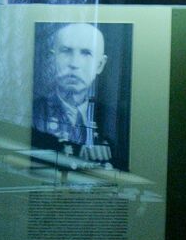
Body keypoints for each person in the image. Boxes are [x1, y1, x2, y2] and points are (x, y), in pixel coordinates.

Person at [31, 22, 123, 169]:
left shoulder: (114, 119)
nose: (74, 64)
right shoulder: (33, 113)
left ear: (100, 65)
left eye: (86, 53)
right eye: (66, 51)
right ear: (53, 59)